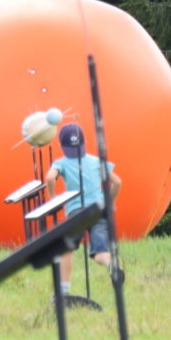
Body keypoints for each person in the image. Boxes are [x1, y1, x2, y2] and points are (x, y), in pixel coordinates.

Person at [44, 123, 121, 309]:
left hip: (76, 211)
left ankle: (63, 291)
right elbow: (117, 182)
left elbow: (48, 178)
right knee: (100, 253)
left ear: (63, 146)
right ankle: (113, 265)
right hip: (98, 210)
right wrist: (108, 201)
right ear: (84, 142)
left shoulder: (61, 162)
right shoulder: (96, 161)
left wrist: (54, 198)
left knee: (66, 248)